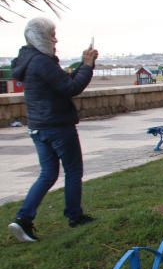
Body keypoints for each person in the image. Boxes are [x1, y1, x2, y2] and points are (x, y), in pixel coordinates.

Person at [8, 18, 99, 243]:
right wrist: (87, 65)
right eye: (51, 35)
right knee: (73, 170)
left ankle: (23, 219)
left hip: (39, 127)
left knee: (48, 173)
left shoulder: (29, 60)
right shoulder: (42, 62)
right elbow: (71, 87)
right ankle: (75, 216)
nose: (55, 39)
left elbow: (62, 81)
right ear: (40, 37)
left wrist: (82, 64)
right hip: (57, 126)